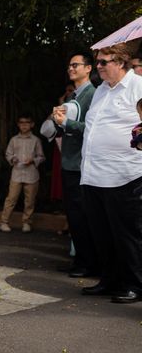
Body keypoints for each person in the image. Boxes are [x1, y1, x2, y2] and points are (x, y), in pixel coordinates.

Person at [80, 44, 142, 304]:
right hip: (94, 174)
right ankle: (110, 280)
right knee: (101, 233)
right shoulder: (101, 91)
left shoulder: (138, 86)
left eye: (104, 62)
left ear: (120, 62)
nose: (99, 66)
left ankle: (135, 284)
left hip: (124, 174)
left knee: (127, 234)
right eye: (98, 62)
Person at [52, 52, 98, 278]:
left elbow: (91, 129)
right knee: (73, 215)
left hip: (81, 164)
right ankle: (80, 260)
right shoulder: (75, 96)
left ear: (88, 68)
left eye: (75, 65)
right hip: (69, 161)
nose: (71, 68)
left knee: (81, 216)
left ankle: (87, 263)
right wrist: (58, 121)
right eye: (69, 65)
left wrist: (66, 122)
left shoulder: (92, 94)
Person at [0, 114, 45, 233]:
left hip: (31, 174)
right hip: (17, 173)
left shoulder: (36, 140)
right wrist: (12, 159)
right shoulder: (14, 140)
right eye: (21, 123)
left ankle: (26, 222)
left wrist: (33, 160)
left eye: (27, 123)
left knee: (29, 200)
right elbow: (8, 153)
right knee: (11, 198)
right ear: (18, 125)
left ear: (32, 124)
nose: (24, 125)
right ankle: (4, 222)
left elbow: (41, 156)